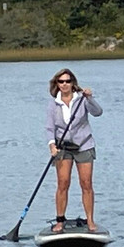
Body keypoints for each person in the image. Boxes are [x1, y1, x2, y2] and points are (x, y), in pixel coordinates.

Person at [46, 68, 103, 233]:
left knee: (86, 183)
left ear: (73, 83)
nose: (64, 85)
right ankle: (60, 221)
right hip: (63, 147)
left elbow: (98, 112)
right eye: (61, 82)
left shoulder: (81, 100)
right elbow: (49, 128)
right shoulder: (53, 104)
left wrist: (90, 98)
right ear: (57, 84)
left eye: (67, 81)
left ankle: (90, 220)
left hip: (84, 145)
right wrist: (52, 145)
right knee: (63, 183)